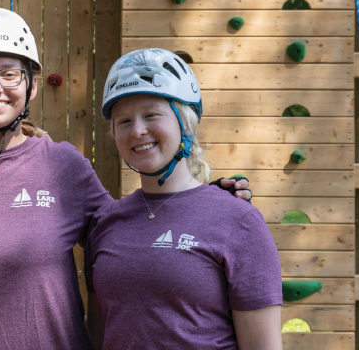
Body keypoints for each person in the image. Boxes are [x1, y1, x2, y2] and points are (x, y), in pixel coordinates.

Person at [0, 10, 254, 349]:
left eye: (9, 74)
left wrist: (196, 204)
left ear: (31, 86)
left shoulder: (63, 166)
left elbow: (129, 230)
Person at [86, 48, 283, 349]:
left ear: (186, 124)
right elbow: (99, 335)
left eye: (151, 114)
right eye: (124, 121)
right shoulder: (106, 223)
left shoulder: (238, 220)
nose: (137, 130)